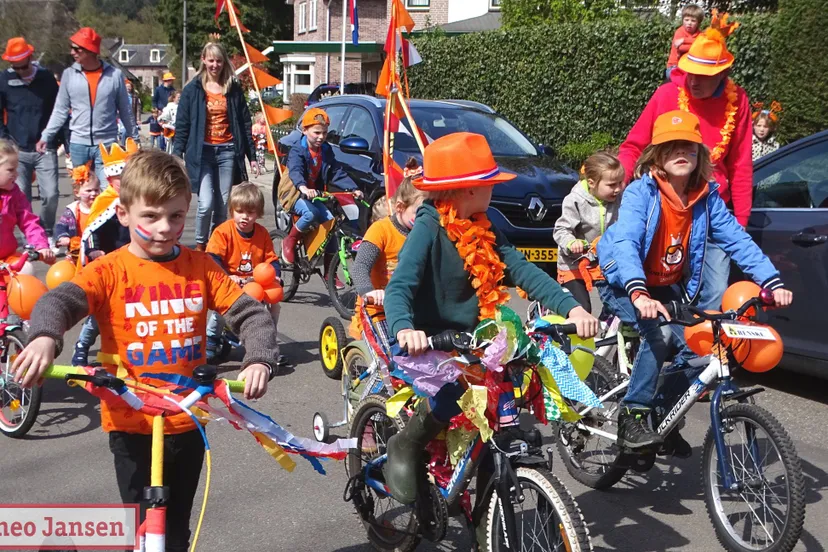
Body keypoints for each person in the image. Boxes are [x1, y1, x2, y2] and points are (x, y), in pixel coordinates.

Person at [12, 149, 278, 552]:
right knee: (138, 528)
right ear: (123, 214)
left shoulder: (201, 266)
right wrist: (46, 336)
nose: (164, 228)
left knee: (174, 531)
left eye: (175, 216)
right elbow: (60, 300)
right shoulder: (109, 270)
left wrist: (259, 357)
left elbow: (250, 314)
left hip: (188, 419)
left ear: (187, 210)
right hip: (129, 422)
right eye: (150, 216)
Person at [382, 133, 599, 524]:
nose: (494, 190)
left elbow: (522, 269)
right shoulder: (429, 225)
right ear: (467, 190)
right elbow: (400, 285)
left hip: (474, 335)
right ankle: (406, 443)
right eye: (489, 185)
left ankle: (484, 514)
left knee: (502, 398)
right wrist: (404, 329)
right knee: (449, 397)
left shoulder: (483, 223)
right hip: (428, 338)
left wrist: (571, 308)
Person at [598, 111, 792, 454]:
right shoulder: (640, 194)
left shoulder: (705, 197)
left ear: (700, 152)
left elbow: (737, 240)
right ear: (657, 155)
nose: (680, 152)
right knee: (656, 337)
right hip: (624, 281)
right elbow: (627, 241)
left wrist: (771, 281)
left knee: (696, 352)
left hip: (665, 286)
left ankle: (662, 415)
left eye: (688, 145)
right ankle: (633, 416)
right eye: (671, 146)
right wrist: (638, 292)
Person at [618, 11, 752, 312]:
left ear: (722, 75)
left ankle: (697, 356)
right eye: (689, 72)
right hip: (666, 207)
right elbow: (633, 146)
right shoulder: (667, 94)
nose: (693, 82)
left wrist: (740, 222)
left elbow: (741, 165)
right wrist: (615, 181)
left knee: (715, 294)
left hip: (711, 207)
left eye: (702, 77)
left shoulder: (737, 101)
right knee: (652, 285)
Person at [173, 42, 257, 251]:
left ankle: (215, 246)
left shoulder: (232, 88)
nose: (215, 65)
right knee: (206, 204)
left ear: (224, 62)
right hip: (202, 153)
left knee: (222, 203)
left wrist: (252, 157)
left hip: (227, 151)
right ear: (203, 60)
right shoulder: (193, 89)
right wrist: (177, 154)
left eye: (219, 60)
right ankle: (200, 246)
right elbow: (182, 124)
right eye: (211, 60)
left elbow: (245, 124)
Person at [37, 27, 136, 187]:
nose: (72, 52)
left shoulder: (114, 75)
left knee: (107, 191)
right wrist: (46, 136)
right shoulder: (69, 75)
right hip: (78, 144)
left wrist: (134, 138)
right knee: (84, 192)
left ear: (90, 50)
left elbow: (125, 110)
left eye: (77, 49)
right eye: (72, 48)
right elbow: (60, 110)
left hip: (107, 144)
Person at [71, 138, 138, 367]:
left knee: (131, 309)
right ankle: (82, 346)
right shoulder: (105, 200)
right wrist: (93, 251)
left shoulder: (136, 199)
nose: (125, 182)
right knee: (101, 313)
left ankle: (127, 351)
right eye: (120, 179)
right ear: (110, 178)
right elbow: (91, 230)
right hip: (108, 261)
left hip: (132, 260)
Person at [205, 182, 281, 362]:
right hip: (227, 280)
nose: (245, 217)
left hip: (253, 281)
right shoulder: (223, 232)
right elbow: (212, 258)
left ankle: (268, 343)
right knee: (221, 308)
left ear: (258, 213)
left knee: (275, 304)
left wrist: (275, 274)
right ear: (232, 210)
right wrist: (227, 275)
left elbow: (271, 259)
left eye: (250, 212)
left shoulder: (262, 234)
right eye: (240, 211)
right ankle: (211, 338)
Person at [350, 159, 424, 337]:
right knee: (391, 357)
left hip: (411, 309)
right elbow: (360, 267)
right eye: (419, 213)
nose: (424, 218)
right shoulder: (381, 230)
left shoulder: (424, 232)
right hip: (378, 310)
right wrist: (369, 292)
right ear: (400, 207)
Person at [0, 37, 62, 248]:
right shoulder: (4, 80)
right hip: (18, 149)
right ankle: (30, 239)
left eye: (24, 66)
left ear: (31, 58)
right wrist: (6, 141)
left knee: (51, 194)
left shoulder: (45, 79)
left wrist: (60, 140)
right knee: (22, 199)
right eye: (15, 67)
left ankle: (47, 230)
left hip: (45, 146)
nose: (20, 71)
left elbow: (58, 110)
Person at [280, 107, 360, 269]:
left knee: (330, 223)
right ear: (304, 130)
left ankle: (329, 272)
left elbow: (335, 171)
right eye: (316, 132)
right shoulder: (297, 150)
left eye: (324, 133)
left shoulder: (325, 150)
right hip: (294, 193)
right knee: (311, 213)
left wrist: (353, 188)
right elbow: (296, 171)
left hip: (313, 194)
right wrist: (303, 188)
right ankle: (290, 240)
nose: (321, 137)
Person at [552, 151, 623, 311]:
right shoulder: (575, 200)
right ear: (591, 183)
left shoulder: (620, 198)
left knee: (619, 304)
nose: (618, 189)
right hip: (574, 262)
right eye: (612, 185)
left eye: (620, 182)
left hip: (603, 262)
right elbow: (561, 229)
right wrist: (571, 242)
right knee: (582, 309)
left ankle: (608, 327)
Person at [0, 139, 55, 269]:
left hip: (7, 257)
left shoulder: (15, 194)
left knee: (26, 270)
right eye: (11, 170)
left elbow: (29, 222)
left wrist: (41, 246)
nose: (16, 174)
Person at [54, 163, 100, 247]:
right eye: (88, 191)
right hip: (77, 249)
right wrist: (63, 236)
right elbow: (61, 225)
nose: (93, 193)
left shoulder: (103, 209)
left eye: (96, 190)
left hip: (98, 248)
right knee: (64, 261)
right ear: (77, 193)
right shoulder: (72, 210)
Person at [666, 4, 703, 80]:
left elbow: (703, 44)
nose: (689, 23)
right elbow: (681, 48)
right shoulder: (679, 32)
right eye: (686, 20)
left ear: (698, 23)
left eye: (693, 21)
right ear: (683, 20)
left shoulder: (700, 34)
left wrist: (684, 40)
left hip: (691, 67)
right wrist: (698, 45)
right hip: (674, 66)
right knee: (683, 80)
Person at [159, 90, 179, 154]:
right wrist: (165, 125)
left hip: (180, 130)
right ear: (174, 98)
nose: (180, 99)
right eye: (178, 97)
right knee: (171, 148)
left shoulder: (184, 106)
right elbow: (162, 118)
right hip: (171, 131)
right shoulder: (170, 107)